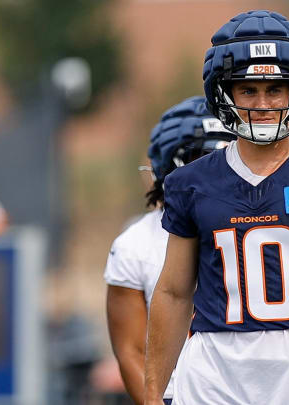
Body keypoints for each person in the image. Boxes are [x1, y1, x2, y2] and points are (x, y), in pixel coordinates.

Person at [145, 10, 289, 405]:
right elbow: (172, 291)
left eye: (275, 89)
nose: (263, 102)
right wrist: (153, 391)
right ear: (225, 93)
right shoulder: (190, 182)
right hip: (213, 368)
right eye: (248, 90)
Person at [103, 96, 235, 405]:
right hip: (180, 393)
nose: (211, 172)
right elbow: (131, 351)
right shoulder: (135, 245)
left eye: (224, 158)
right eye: (199, 159)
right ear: (167, 166)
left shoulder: (260, 222)